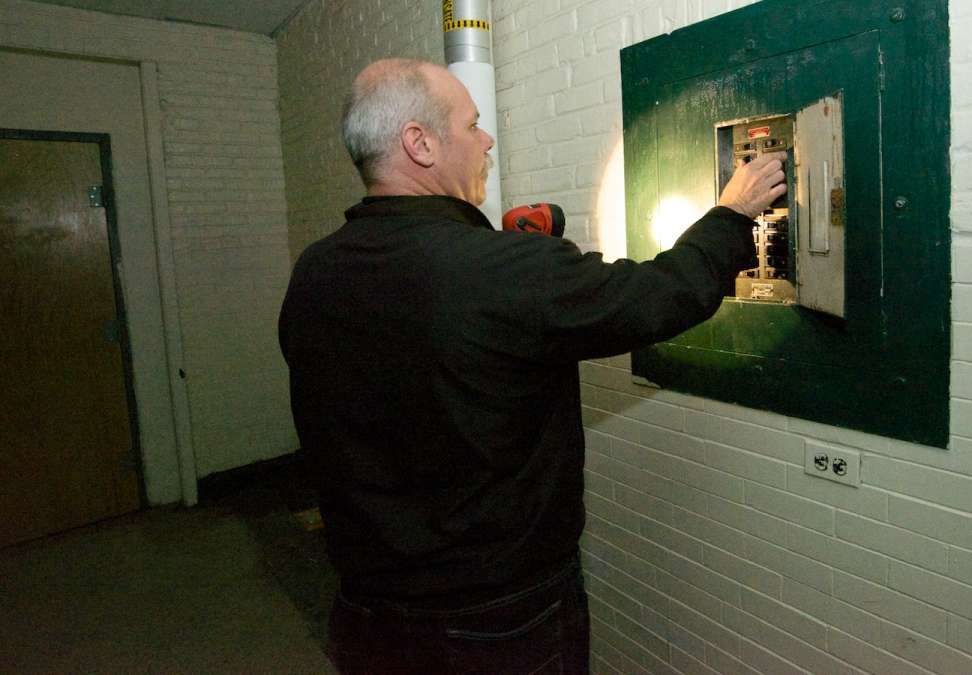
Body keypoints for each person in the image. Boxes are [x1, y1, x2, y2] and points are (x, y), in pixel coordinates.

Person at [278, 57, 785, 675]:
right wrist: (733, 215)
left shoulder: (314, 271)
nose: (486, 139)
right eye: (471, 125)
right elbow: (658, 297)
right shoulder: (496, 270)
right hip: (495, 625)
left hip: (366, 615)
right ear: (420, 143)